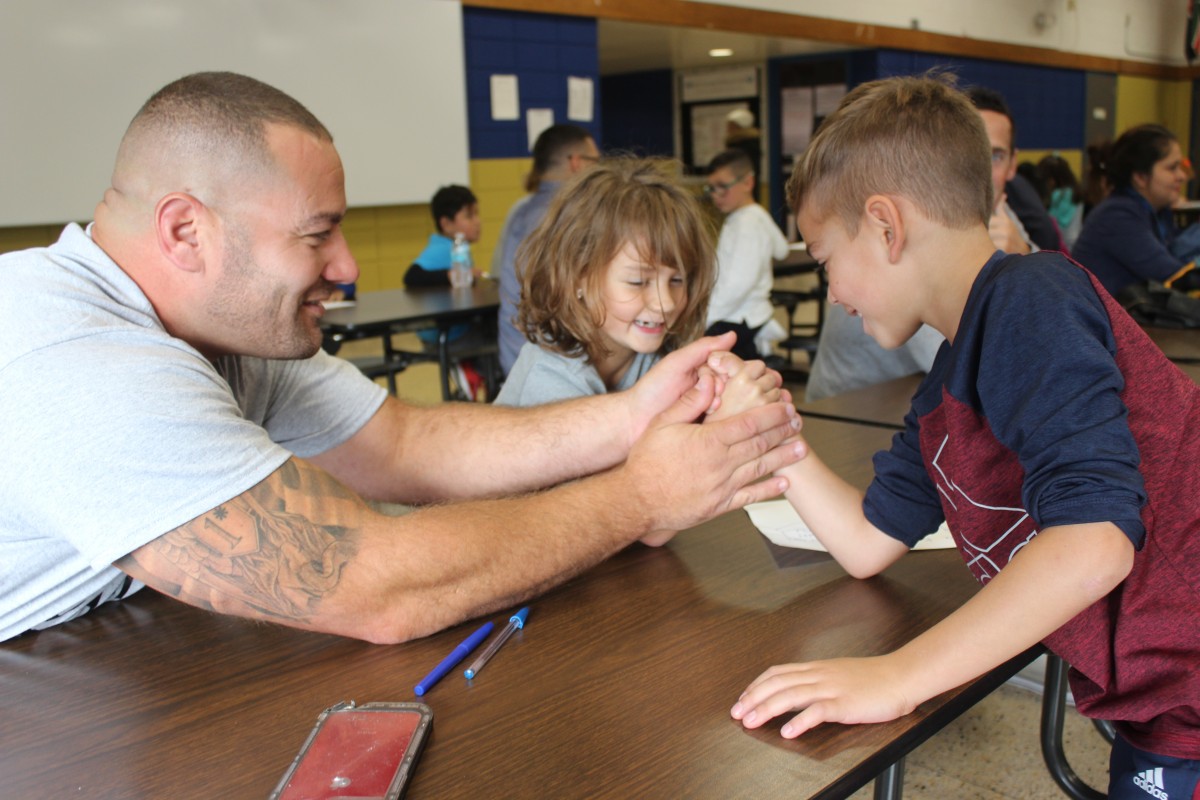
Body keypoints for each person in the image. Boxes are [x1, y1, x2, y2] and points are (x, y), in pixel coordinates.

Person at [0, 72, 807, 645]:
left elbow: (405, 445)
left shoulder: (229, 335)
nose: (349, 267)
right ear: (185, 232)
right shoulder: (77, 363)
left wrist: (635, 412)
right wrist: (642, 496)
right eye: (317, 235)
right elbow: (368, 584)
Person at [718, 74, 1200, 799]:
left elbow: (1095, 539)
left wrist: (898, 675)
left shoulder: (1031, 299)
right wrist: (775, 433)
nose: (832, 292)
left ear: (886, 226)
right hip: (1163, 710)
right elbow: (866, 542)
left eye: (824, 262)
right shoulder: (951, 378)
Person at [496, 158, 716, 406]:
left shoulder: (655, 356)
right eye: (638, 281)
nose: (665, 302)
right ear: (577, 277)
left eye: (677, 279)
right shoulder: (549, 377)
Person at [494, 124, 600, 375]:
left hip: (515, 355)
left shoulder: (522, 210)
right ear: (576, 162)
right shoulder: (567, 216)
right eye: (595, 160)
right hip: (545, 364)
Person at [1071, 124, 1196, 297]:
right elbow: (1174, 276)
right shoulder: (1117, 216)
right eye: (1172, 168)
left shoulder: (1152, 212)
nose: (1182, 176)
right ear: (1140, 177)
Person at [402, 184, 488, 400]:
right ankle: (481, 378)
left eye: (477, 214)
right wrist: (449, 275)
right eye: (469, 216)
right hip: (447, 335)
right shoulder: (443, 248)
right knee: (498, 331)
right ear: (447, 224)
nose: (477, 221)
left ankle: (476, 377)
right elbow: (411, 276)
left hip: (450, 330)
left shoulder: (457, 248)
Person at [704, 149, 790, 362]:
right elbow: (782, 249)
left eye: (723, 187)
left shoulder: (747, 224)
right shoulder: (756, 215)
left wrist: (705, 319)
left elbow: (737, 285)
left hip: (738, 318)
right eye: (712, 189)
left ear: (748, 182)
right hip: (747, 315)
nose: (716, 195)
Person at [965, 86, 1044, 254]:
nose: (983, 172)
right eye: (971, 154)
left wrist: (1023, 253)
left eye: (996, 157)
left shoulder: (1004, 215)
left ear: (1012, 165)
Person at [1037, 154, 1085, 252]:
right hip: (1077, 248)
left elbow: (1047, 228)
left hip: (1059, 250)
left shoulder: (1054, 197)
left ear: (1051, 181)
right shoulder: (1077, 194)